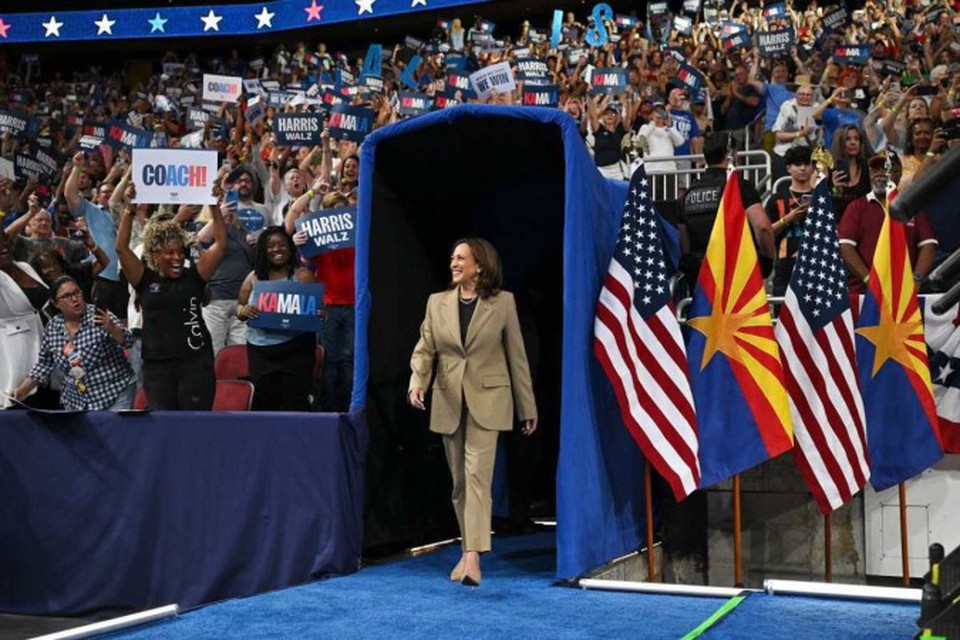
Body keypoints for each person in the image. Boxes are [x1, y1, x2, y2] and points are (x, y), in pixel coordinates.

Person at [408, 238, 537, 587]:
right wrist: (417, 381)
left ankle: (472, 557)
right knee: (460, 484)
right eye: (452, 257)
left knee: (478, 477)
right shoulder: (437, 303)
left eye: (460, 258)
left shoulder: (503, 303)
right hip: (448, 399)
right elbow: (425, 349)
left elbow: (517, 357)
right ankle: (468, 548)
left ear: (479, 265)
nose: (453, 262)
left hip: (489, 400)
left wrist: (527, 406)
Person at [116, 193, 228, 410]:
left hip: (195, 364)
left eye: (180, 252)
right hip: (157, 367)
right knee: (164, 426)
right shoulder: (144, 278)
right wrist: (129, 209)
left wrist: (214, 204)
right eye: (169, 252)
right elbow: (121, 248)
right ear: (155, 255)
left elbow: (221, 243)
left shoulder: (195, 276)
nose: (177, 257)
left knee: (195, 426)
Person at [8, 276, 136, 411]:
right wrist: (22, 390)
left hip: (114, 392)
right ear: (56, 303)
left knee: (113, 432)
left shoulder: (99, 316)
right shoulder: (53, 327)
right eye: (67, 296)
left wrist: (112, 328)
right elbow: (43, 364)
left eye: (77, 292)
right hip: (77, 401)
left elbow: (128, 341)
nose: (75, 299)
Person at [679, 132, 775, 288]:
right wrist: (768, 260)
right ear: (732, 154)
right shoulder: (740, 186)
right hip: (738, 279)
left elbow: (684, 241)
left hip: (702, 283)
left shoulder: (688, 194)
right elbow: (763, 227)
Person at [236, 227, 317, 412]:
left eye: (282, 244)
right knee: (265, 402)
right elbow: (238, 308)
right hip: (261, 351)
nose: (277, 249)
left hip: (297, 349)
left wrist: (319, 314)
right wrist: (244, 310)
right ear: (263, 250)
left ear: (290, 247)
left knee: (295, 402)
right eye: (271, 246)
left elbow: (317, 312)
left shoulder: (303, 276)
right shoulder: (254, 276)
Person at [838, 152, 938, 295]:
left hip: (904, 292)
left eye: (885, 168)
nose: (879, 174)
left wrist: (916, 279)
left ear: (898, 173)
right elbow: (846, 247)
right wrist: (870, 280)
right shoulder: (857, 207)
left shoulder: (911, 206)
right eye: (874, 170)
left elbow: (928, 244)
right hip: (865, 294)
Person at [0, 231, 47, 409]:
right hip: (14, 347)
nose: (2, 246)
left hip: (43, 335)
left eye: (4, 239)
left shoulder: (24, 266)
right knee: (19, 398)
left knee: (46, 395)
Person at [765, 146, 815, 296]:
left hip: (817, 268)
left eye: (806, 164)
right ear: (788, 168)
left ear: (812, 167)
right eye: (797, 164)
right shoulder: (777, 199)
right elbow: (765, 232)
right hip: (785, 270)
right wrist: (788, 219)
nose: (802, 168)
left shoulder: (822, 197)